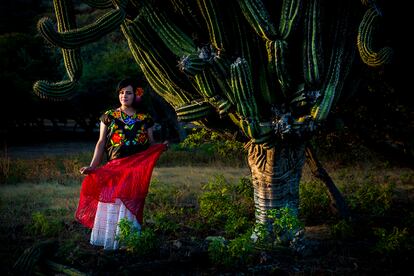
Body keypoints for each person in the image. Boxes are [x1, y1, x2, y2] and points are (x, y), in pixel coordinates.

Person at [75, 78, 167, 250]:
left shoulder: (145, 118)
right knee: (113, 201)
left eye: (129, 92)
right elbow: (101, 142)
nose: (124, 95)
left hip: (135, 169)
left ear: (136, 95)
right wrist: (93, 166)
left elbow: (151, 143)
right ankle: (110, 241)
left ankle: (127, 243)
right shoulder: (109, 116)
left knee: (130, 201)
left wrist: (161, 147)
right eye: (122, 92)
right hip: (114, 167)